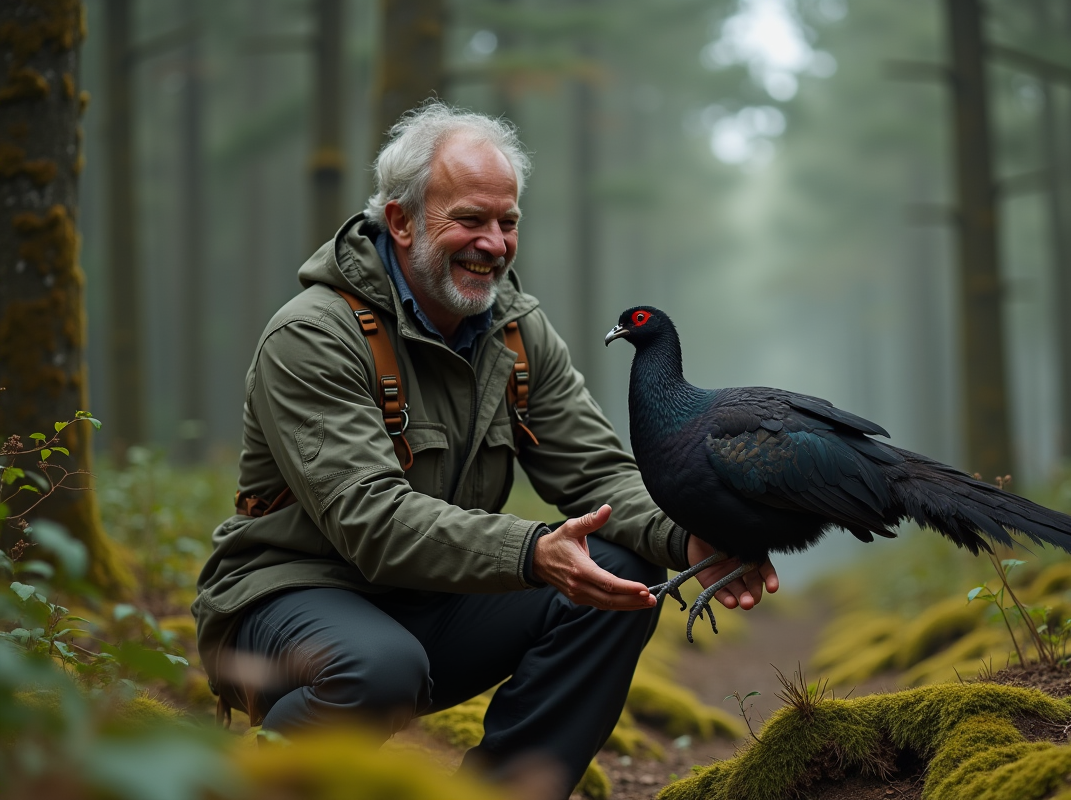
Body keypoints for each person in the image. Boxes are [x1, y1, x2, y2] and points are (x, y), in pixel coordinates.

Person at [192, 101, 778, 795]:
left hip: (429, 601)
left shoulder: (518, 335)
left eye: (508, 223)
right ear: (401, 220)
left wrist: (688, 542)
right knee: (377, 667)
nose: (493, 243)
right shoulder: (313, 335)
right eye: (469, 219)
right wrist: (532, 552)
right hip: (288, 600)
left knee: (622, 576)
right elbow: (371, 523)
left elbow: (598, 474)